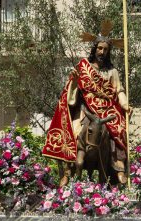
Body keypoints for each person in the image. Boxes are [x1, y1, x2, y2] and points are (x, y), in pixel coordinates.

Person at [42, 21, 131, 186]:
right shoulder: (84, 66)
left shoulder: (112, 72)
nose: (102, 52)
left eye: (105, 49)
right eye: (99, 48)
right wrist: (75, 82)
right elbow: (72, 91)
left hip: (107, 108)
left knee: (119, 130)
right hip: (86, 108)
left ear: (109, 52)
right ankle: (67, 172)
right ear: (94, 49)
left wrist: (125, 105)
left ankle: (119, 166)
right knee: (74, 131)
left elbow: (119, 91)